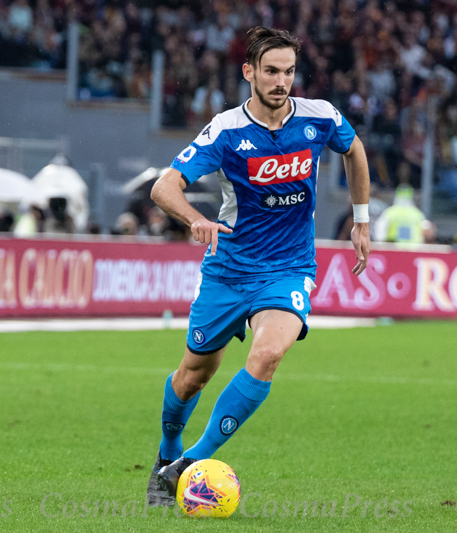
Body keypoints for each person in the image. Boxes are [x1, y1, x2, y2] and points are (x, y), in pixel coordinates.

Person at [146, 26, 371, 507]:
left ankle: (187, 463)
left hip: (289, 267)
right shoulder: (226, 131)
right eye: (271, 71)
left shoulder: (320, 118)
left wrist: (361, 218)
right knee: (193, 375)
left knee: (269, 355)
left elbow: (354, 150)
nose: (281, 81)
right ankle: (166, 450)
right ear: (249, 72)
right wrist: (194, 218)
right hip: (229, 268)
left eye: (289, 71)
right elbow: (165, 187)